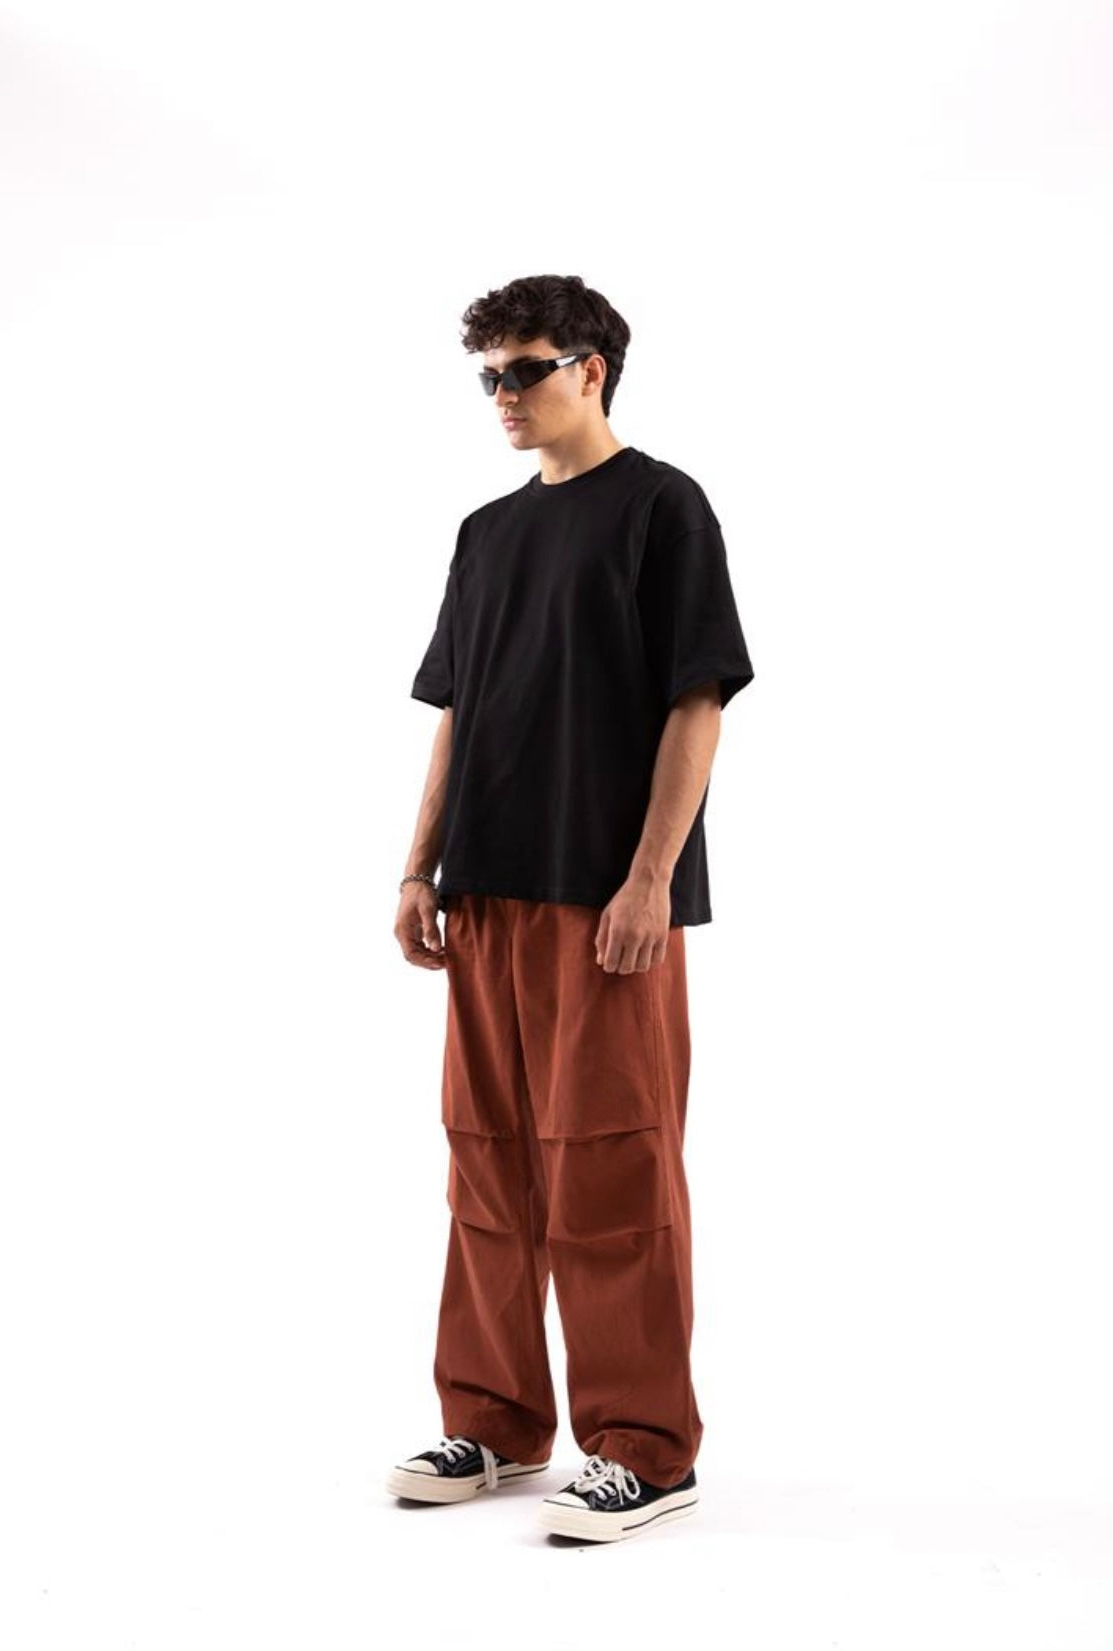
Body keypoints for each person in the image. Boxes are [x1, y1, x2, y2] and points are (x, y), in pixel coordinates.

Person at [387, 273, 755, 1543]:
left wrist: (651, 876)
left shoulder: (663, 508)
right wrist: (417, 867)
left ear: (591, 369)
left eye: (525, 369)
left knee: (613, 1163)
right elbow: (458, 711)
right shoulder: (486, 533)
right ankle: (495, 1421)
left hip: (604, 899)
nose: (503, 394)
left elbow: (697, 700)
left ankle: (646, 1446)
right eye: (488, 375)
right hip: (486, 891)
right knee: (486, 1159)